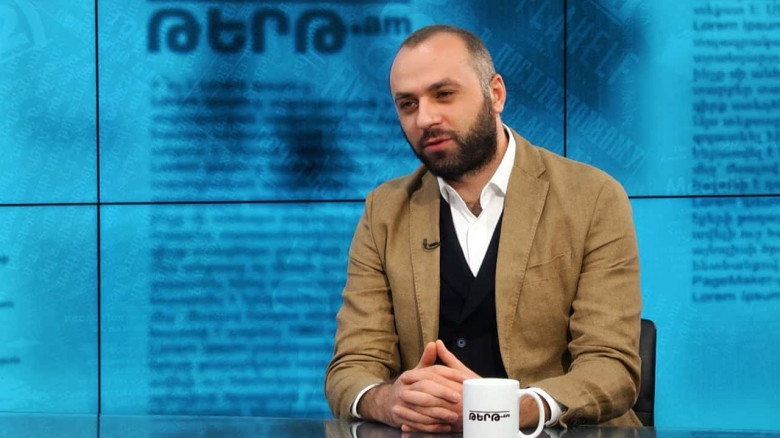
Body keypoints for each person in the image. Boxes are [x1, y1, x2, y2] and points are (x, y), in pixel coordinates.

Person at [325, 24, 642, 433]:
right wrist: (389, 401)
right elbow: (350, 367)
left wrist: (507, 410)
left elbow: (611, 367)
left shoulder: (593, 197)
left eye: (444, 94)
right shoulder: (384, 211)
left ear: (495, 94)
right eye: (407, 104)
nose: (425, 118)